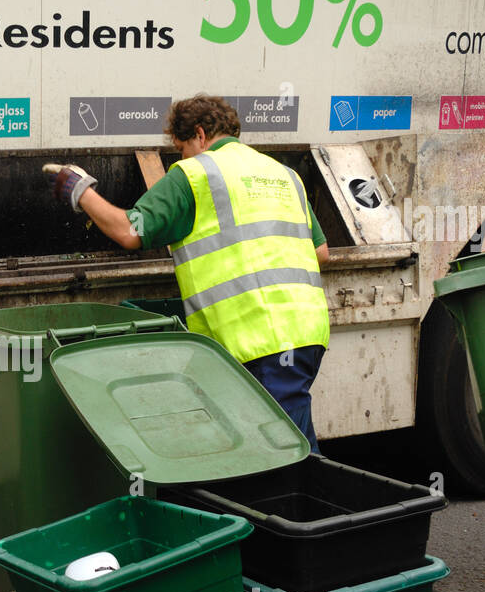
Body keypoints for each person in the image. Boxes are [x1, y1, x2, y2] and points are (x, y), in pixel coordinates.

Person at [43, 94, 331, 450]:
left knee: (280, 453)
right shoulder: (283, 174)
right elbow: (319, 251)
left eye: (180, 148)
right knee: (281, 440)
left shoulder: (196, 174)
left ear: (199, 133)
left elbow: (129, 232)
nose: (181, 157)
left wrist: (80, 191)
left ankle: (304, 505)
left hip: (257, 341)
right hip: (307, 333)